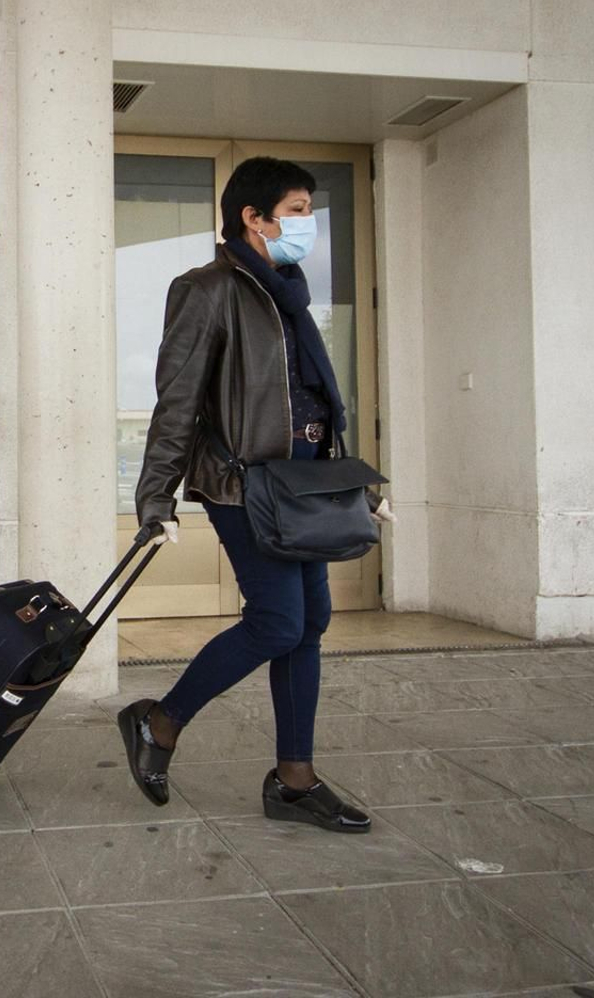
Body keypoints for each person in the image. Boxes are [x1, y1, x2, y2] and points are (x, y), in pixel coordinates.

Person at [118, 156, 393, 832]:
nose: (307, 224)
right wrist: (156, 500)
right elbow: (176, 401)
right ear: (253, 215)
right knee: (277, 621)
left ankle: (294, 781)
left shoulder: (289, 293)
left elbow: (311, 397)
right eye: (299, 209)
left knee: (310, 626)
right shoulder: (207, 289)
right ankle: (158, 722)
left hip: (304, 485)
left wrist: (356, 486)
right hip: (242, 485)